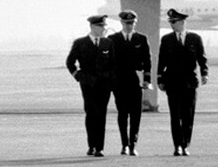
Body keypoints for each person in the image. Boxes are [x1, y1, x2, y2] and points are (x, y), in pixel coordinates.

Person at [157, 8, 208, 156]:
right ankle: (177, 146)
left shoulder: (195, 39)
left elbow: (202, 58)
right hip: (172, 82)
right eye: (170, 22)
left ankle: (185, 144)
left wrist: (205, 73)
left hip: (190, 83)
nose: (172, 25)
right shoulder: (167, 40)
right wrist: (159, 78)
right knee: (175, 115)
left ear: (182, 22)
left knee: (188, 115)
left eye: (174, 22)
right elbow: (162, 60)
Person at [66, 14, 114, 156]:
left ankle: (100, 147)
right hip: (88, 84)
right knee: (91, 113)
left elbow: (113, 64)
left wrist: (111, 81)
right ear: (92, 27)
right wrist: (78, 76)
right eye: (101, 26)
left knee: (102, 115)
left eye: (104, 26)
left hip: (104, 85)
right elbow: (70, 62)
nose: (104, 28)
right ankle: (92, 145)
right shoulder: (80, 43)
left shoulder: (108, 43)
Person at [108, 9, 151, 155]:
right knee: (122, 113)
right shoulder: (112, 39)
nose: (129, 26)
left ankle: (133, 144)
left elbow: (147, 61)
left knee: (136, 114)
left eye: (131, 23)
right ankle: (124, 144)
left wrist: (147, 80)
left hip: (134, 80)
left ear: (135, 23)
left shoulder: (141, 39)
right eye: (126, 23)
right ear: (121, 23)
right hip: (119, 82)